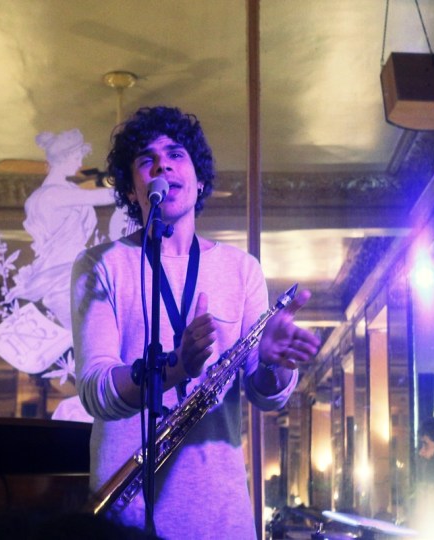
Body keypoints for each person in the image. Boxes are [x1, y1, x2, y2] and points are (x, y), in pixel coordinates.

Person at [71, 106, 320, 539]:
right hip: (123, 520)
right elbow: (95, 391)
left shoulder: (242, 269)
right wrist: (175, 368)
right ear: (131, 189)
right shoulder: (99, 264)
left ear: (199, 180)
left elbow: (267, 396)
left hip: (220, 519)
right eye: (146, 159)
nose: (162, 165)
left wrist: (274, 362)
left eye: (175, 154)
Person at [7, 128, 116, 330]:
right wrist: (131, 183)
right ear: (63, 159)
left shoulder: (67, 191)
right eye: (76, 158)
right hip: (62, 273)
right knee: (85, 330)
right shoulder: (51, 195)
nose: (80, 164)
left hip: (74, 268)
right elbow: (103, 196)